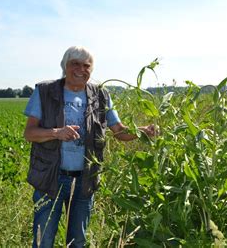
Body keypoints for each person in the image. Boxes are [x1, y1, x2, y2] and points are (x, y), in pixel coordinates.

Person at [23, 46, 157, 248]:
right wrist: (56, 132)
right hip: (50, 179)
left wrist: (143, 130)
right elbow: (29, 133)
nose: (80, 69)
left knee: (78, 242)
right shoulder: (45, 91)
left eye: (86, 65)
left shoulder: (101, 95)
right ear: (64, 66)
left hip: (85, 180)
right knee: (44, 241)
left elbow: (119, 131)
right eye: (74, 64)